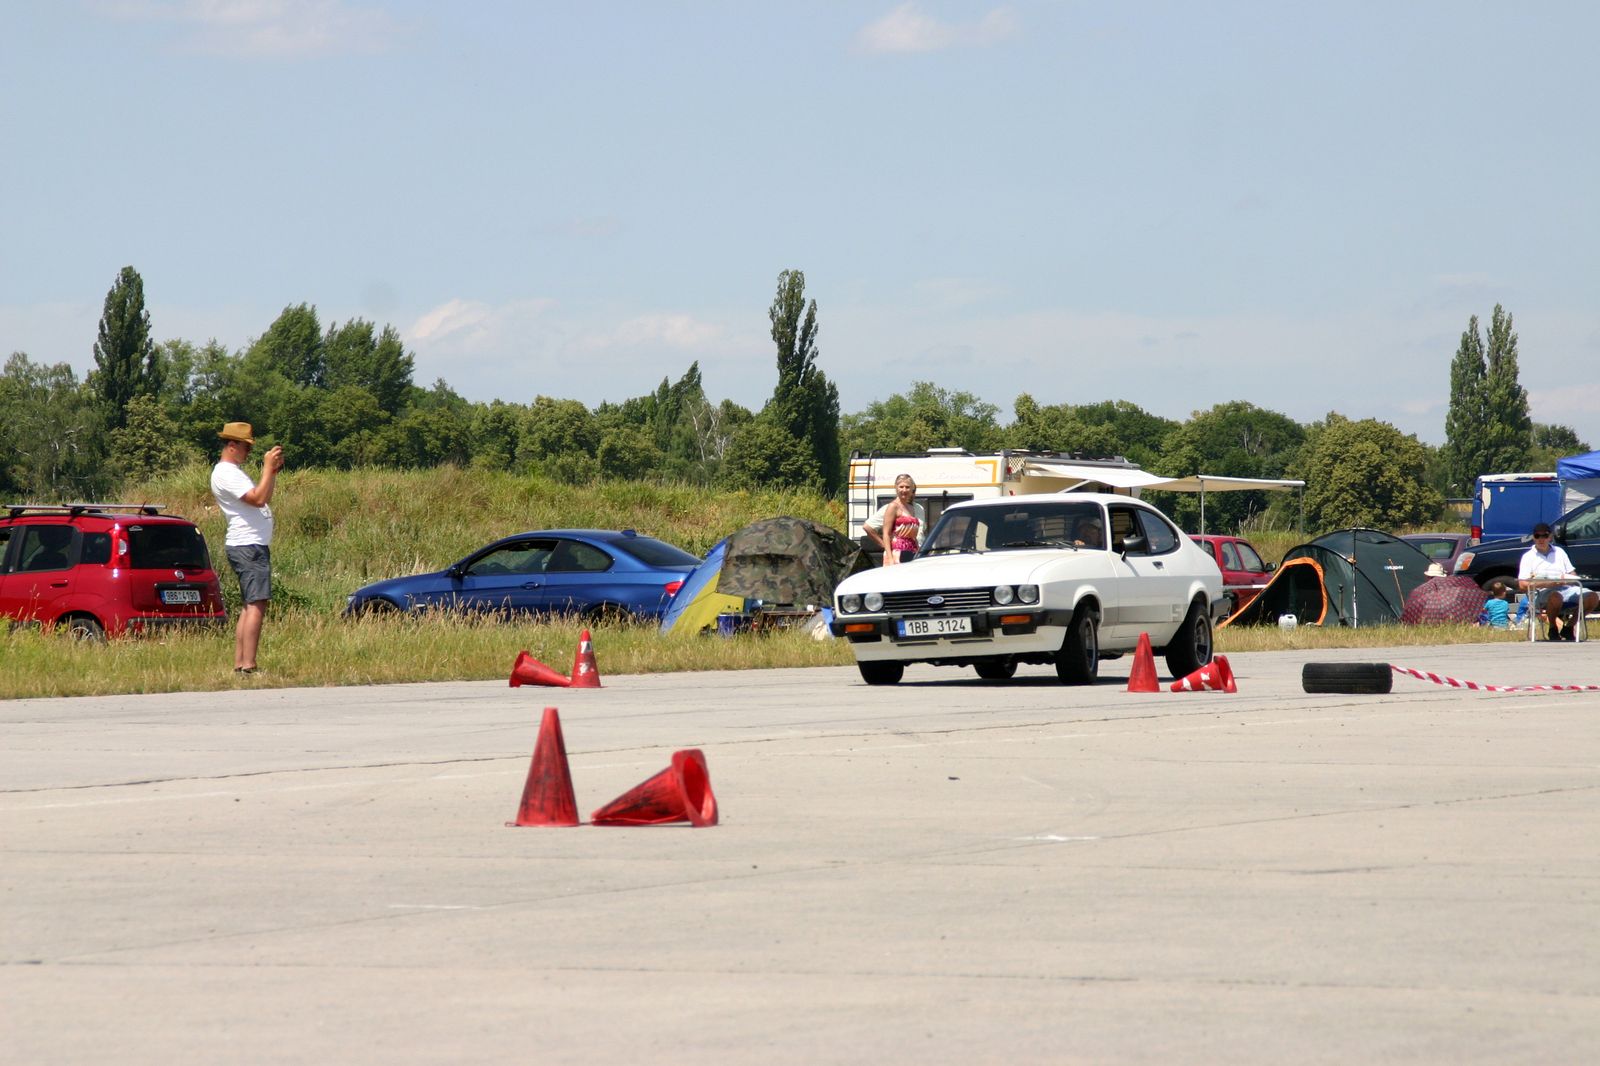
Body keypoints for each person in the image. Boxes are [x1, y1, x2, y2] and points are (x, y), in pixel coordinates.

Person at [210, 422, 285, 672]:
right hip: (248, 545)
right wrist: (266, 467)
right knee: (257, 604)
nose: (249, 452)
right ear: (232, 445)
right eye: (246, 447)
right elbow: (258, 498)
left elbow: (263, 495)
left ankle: (241, 663)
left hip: (249, 545)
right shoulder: (226, 473)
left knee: (249, 604)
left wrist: (272, 472)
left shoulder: (231, 472)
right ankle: (249, 665)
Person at [1517, 521, 1599, 641]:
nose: (1541, 539)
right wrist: (1548, 583)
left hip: (1565, 588)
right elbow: (1522, 584)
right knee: (1556, 596)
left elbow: (1572, 574)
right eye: (1537, 536)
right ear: (1533, 538)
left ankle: (1569, 626)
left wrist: (1567, 579)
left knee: (1593, 596)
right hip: (1541, 591)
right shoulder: (1528, 557)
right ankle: (1553, 628)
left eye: (1544, 535)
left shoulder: (1560, 552)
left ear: (1550, 537)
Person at [864, 473, 925, 566]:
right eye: (901, 487)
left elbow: (914, 536)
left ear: (912, 489)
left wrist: (918, 552)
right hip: (897, 553)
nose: (904, 490)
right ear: (896, 488)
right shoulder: (892, 506)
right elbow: (886, 534)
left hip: (912, 551)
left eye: (907, 487)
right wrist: (890, 557)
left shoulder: (912, 508)